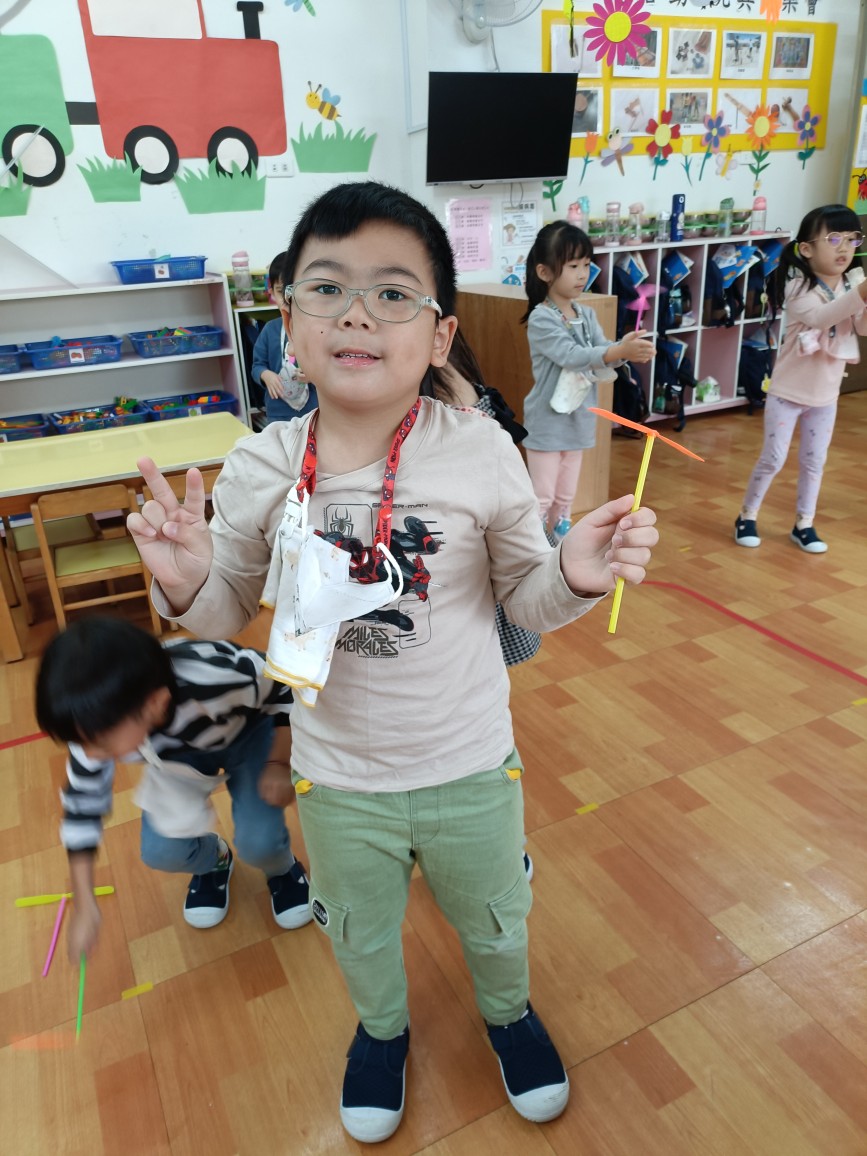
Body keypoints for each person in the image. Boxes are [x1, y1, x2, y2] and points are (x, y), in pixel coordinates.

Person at [125, 181, 658, 1144]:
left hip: (468, 762)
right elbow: (225, 608)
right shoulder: (263, 463)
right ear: (288, 319)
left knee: (494, 916)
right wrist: (184, 581)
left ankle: (508, 1015)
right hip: (337, 777)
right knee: (357, 928)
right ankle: (380, 1032)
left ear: (440, 335)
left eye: (393, 293)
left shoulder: (480, 449)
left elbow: (523, 601)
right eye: (326, 288)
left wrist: (573, 574)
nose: (358, 313)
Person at [34, 617, 312, 962]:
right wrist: (85, 902)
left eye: (101, 744)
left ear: (155, 703)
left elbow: (285, 686)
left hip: (251, 733)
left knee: (260, 842)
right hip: (176, 757)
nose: (90, 755)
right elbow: (81, 808)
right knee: (160, 850)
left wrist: (278, 762)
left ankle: (282, 868)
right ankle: (215, 861)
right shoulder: (94, 730)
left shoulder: (215, 676)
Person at [735, 204, 867, 554]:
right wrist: (861, 293)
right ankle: (747, 515)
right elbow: (823, 317)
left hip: (826, 397)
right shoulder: (797, 287)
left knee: (814, 463)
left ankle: (804, 524)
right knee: (773, 458)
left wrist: (862, 295)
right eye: (834, 239)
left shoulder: (853, 283)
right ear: (806, 249)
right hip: (787, 393)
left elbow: (863, 326)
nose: (844, 247)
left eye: (852, 239)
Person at [521, 220, 656, 541]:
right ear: (544, 272)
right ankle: (531, 551)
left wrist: (625, 348)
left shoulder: (587, 314)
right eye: (573, 266)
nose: (583, 274)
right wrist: (618, 350)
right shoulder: (542, 318)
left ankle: (559, 546)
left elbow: (601, 353)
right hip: (547, 425)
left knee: (565, 497)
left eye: (586, 265)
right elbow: (573, 356)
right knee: (541, 498)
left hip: (579, 421)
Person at [251, 251, 318, 425]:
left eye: (294, 290)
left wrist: (313, 376)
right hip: (278, 412)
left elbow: (330, 369)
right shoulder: (270, 330)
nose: (288, 298)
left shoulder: (318, 329)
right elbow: (257, 366)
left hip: (315, 410)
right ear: (271, 292)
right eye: (281, 291)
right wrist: (265, 375)